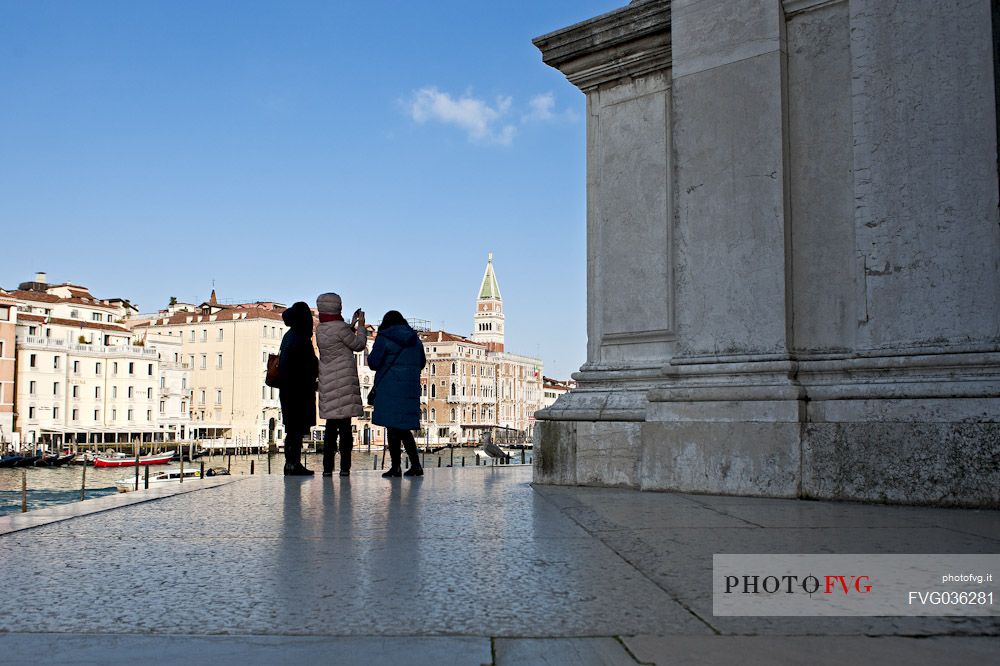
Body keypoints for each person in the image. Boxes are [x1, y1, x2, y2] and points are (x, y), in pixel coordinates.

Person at [368, 310, 426, 477]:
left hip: (389, 389)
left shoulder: (384, 337)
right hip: (409, 389)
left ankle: (397, 467)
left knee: (393, 428)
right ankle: (413, 465)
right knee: (401, 429)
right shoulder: (415, 340)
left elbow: (373, 363)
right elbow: (421, 363)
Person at [315, 292, 368, 477]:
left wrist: (351, 324)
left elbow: (338, 335)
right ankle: (345, 468)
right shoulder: (340, 328)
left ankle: (327, 468)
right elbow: (358, 344)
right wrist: (361, 326)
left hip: (328, 381)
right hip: (344, 381)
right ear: (338, 306)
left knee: (330, 427)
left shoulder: (320, 329)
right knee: (345, 428)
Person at [278, 301, 318, 476]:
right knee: (296, 430)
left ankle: (290, 464)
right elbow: (309, 365)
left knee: (291, 429)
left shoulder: (288, 336)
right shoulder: (301, 338)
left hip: (287, 389)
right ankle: (294, 464)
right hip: (300, 390)